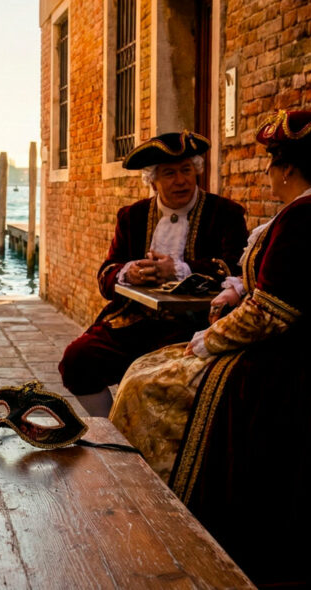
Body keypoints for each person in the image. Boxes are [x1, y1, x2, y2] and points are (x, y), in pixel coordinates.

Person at [110, 109, 311, 585]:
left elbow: (272, 313)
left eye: (271, 165)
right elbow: (288, 290)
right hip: (308, 354)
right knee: (139, 366)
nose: (268, 175)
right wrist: (239, 290)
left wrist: (205, 341)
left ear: (288, 170)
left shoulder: (308, 218)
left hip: (303, 372)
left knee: (148, 382)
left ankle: (165, 512)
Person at [57, 131, 248, 416]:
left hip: (195, 325)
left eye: (186, 170)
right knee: (77, 360)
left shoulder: (225, 213)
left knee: (150, 380)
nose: (181, 180)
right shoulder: (132, 216)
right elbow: (106, 274)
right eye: (170, 173)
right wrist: (128, 272)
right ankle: (113, 429)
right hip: (133, 322)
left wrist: (180, 270)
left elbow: (235, 267)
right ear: (153, 180)